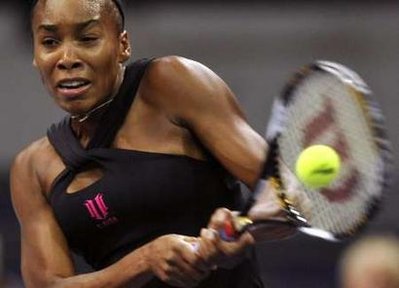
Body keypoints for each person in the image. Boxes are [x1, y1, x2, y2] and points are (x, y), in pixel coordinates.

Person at [11, 0, 300, 287]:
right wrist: (145, 260)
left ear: (122, 45)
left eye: (88, 39)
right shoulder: (32, 169)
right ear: (36, 55)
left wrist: (242, 227)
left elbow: (284, 193)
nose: (67, 58)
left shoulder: (172, 83)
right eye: (50, 42)